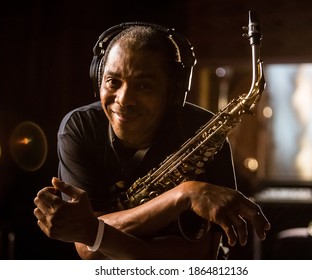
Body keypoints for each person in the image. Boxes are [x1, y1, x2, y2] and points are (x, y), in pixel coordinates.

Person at [33, 22, 270, 260]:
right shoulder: (80, 127)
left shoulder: (208, 133)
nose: (124, 100)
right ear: (97, 78)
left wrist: (99, 233)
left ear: (173, 92)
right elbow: (87, 249)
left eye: (144, 86)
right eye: (113, 82)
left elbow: (200, 258)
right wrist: (185, 196)